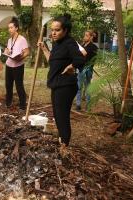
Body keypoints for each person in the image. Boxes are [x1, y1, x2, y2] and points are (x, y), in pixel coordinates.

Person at [38, 14, 85, 146]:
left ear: (65, 30)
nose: (53, 32)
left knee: (62, 117)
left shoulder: (69, 42)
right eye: (52, 29)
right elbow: (53, 61)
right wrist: (44, 49)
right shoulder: (57, 43)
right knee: (58, 116)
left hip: (66, 86)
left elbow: (81, 59)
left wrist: (71, 66)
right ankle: (62, 141)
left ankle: (64, 145)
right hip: (57, 84)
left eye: (57, 30)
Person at [3, 17, 30, 111]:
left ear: (16, 28)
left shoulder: (22, 39)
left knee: (19, 85)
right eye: (9, 28)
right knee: (8, 85)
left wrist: (20, 57)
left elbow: (27, 52)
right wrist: (7, 51)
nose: (9, 29)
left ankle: (22, 106)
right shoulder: (10, 40)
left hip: (18, 65)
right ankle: (8, 103)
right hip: (9, 64)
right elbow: (8, 50)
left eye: (11, 27)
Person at [76, 30, 98, 111]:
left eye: (86, 35)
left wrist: (78, 45)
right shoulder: (82, 45)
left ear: (91, 37)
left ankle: (88, 106)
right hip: (81, 69)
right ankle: (78, 104)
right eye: (84, 35)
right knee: (78, 87)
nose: (84, 37)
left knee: (87, 87)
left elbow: (85, 54)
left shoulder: (93, 47)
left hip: (88, 70)